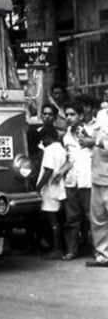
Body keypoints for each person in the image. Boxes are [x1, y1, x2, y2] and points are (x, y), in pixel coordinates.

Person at [62, 100, 95, 260]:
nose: (69, 117)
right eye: (67, 115)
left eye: (72, 114)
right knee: (72, 218)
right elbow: (69, 160)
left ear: (80, 116)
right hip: (72, 181)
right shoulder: (66, 136)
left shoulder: (91, 132)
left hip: (88, 180)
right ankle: (72, 250)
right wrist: (60, 173)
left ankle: (99, 250)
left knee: (92, 217)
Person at [35, 125, 68, 258]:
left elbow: (48, 170)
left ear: (46, 137)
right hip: (60, 188)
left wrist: (38, 187)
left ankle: (57, 249)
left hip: (50, 189)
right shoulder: (61, 149)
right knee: (59, 219)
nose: (42, 143)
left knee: (52, 220)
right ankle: (60, 247)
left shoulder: (49, 150)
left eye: (42, 140)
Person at [88, 104, 108, 266]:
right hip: (97, 174)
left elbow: (96, 141)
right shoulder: (101, 115)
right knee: (98, 218)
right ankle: (103, 254)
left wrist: (95, 142)